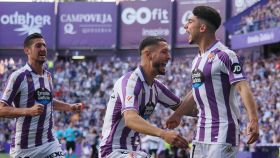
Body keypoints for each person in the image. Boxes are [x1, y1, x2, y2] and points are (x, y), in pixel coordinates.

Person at [166, 6, 259, 158]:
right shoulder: (197, 60)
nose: (185, 26)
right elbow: (196, 90)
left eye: (190, 22)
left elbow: (243, 87)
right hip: (201, 134)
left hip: (223, 132)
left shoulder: (225, 55)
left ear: (202, 27)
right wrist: (178, 114)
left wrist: (253, 119)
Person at [99, 36, 190, 158]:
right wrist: (163, 134)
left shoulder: (157, 87)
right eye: (164, 52)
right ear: (148, 55)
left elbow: (186, 108)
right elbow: (130, 119)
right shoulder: (130, 82)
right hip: (113, 152)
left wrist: (200, 88)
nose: (169, 57)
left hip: (135, 152)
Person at [0, 33, 82, 158]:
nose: (43, 49)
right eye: (38, 46)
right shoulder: (18, 76)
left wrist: (69, 107)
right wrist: (28, 111)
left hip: (49, 143)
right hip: (25, 147)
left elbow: (47, 100)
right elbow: (2, 109)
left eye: (44, 45)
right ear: (27, 50)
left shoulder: (48, 76)